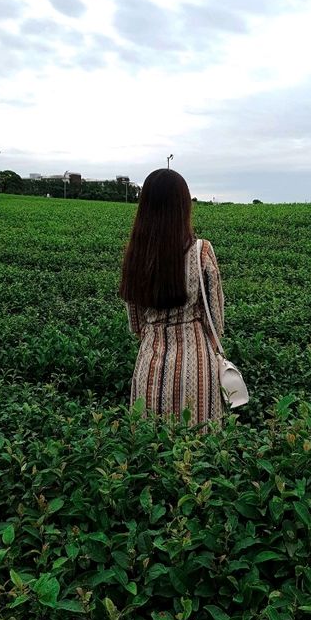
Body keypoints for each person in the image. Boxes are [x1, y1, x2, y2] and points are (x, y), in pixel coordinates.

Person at [119, 168, 225, 428]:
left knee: (150, 448)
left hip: (150, 367)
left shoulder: (135, 255)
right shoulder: (201, 251)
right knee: (199, 451)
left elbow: (136, 324)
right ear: (184, 206)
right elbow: (216, 321)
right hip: (197, 367)